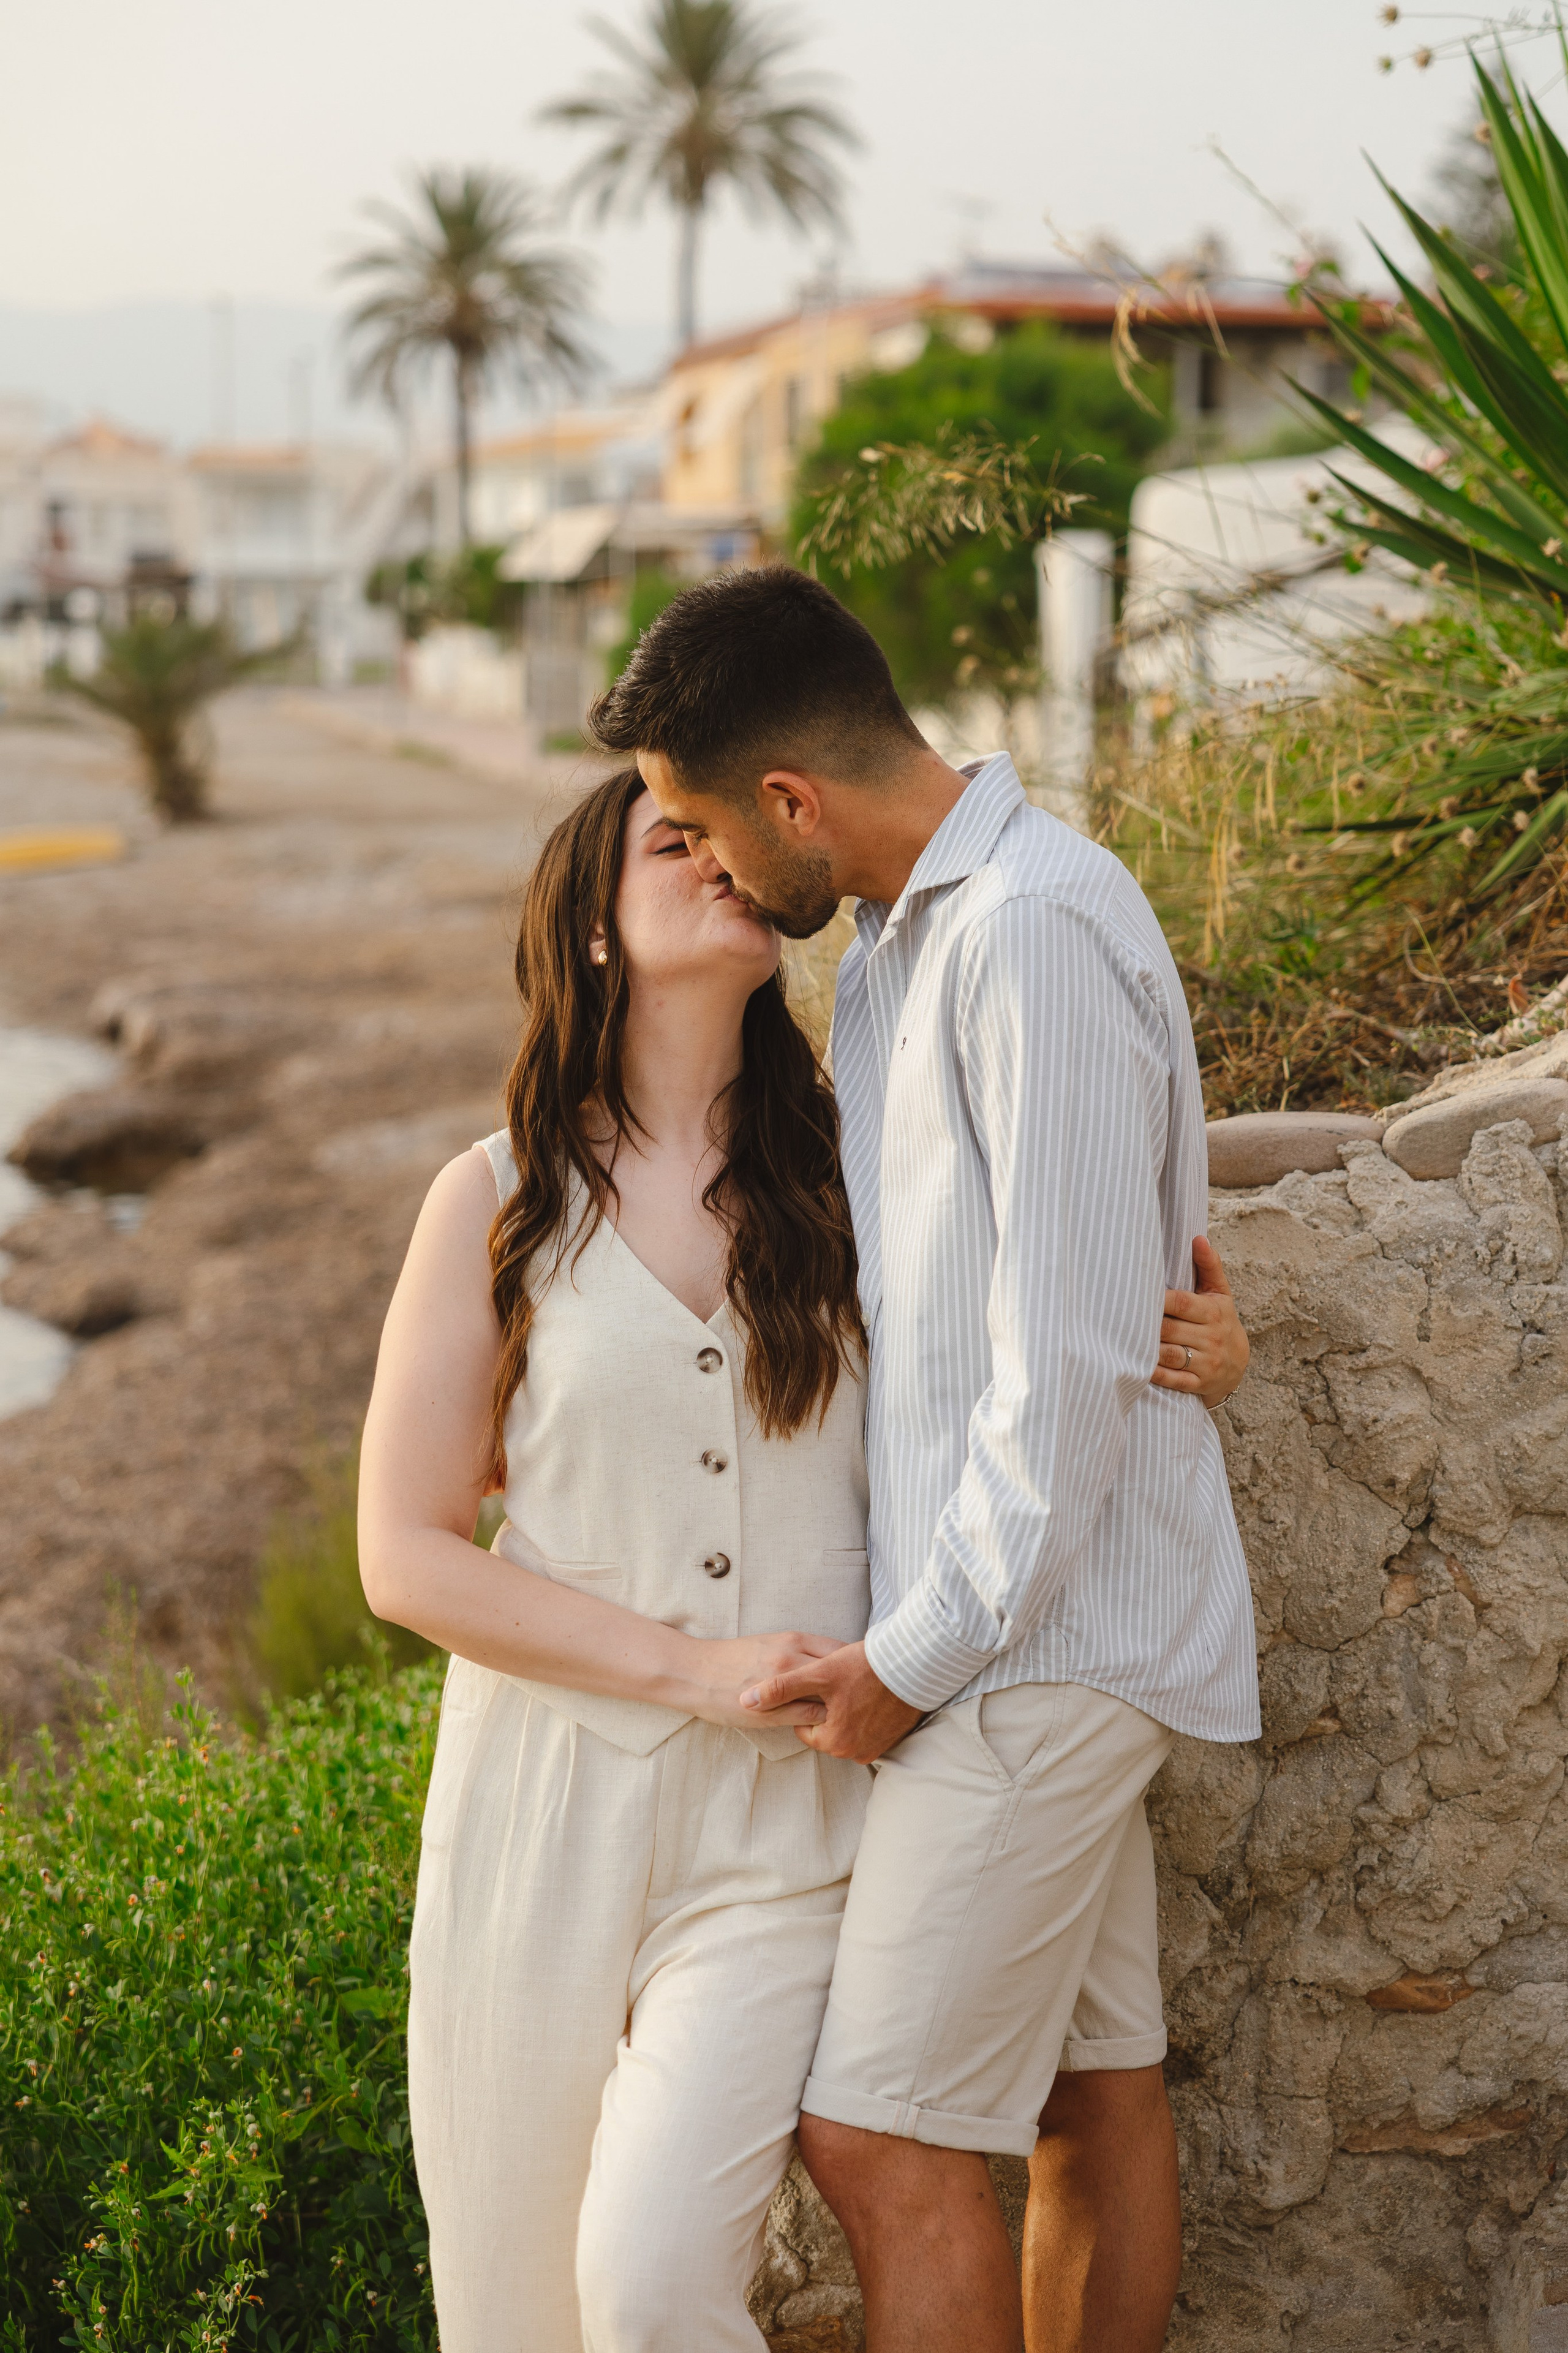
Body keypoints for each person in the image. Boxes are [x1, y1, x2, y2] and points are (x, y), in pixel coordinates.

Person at [357, 747, 1249, 2349]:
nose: (718, 858)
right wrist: (684, 1668)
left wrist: (1205, 1335)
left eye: (717, 831)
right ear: (594, 930)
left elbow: (1058, 1267)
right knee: (507, 2311)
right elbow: (404, 1554)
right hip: (541, 1816)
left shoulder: (849, 1169)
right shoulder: (493, 1201)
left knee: (645, 2285)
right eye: (669, 841)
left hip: (783, 1832)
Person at [591, 564, 1262, 2353]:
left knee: (873, 2123)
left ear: (790, 799)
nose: (716, 871)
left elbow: (1060, 1383)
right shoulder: (896, 945)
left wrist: (910, 1662)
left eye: (705, 829)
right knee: (1088, 2091)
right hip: (1025, 1621)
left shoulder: (1024, 934)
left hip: (1040, 1644)